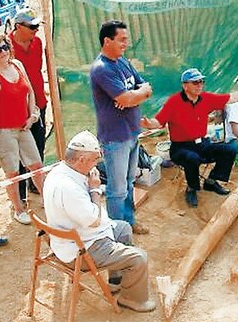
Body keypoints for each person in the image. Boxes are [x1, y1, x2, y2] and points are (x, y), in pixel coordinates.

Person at [43, 130, 155, 312]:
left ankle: (116, 281)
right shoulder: (69, 188)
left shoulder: (57, 172)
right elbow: (94, 221)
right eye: (95, 159)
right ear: (81, 160)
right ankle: (132, 299)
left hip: (72, 238)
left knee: (124, 228)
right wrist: (95, 190)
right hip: (81, 249)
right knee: (139, 258)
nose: (97, 164)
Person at [140, 68, 238, 208]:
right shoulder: (174, 102)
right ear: (185, 85)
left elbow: (231, 98)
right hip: (180, 147)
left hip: (202, 143)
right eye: (195, 82)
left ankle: (211, 181)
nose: (199, 85)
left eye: (201, 81)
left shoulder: (205, 99)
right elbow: (158, 121)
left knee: (228, 150)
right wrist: (148, 124)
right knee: (192, 158)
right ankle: (192, 188)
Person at [89, 20, 152, 234]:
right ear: (107, 41)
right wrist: (131, 96)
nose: (126, 43)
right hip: (115, 138)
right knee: (117, 190)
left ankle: (129, 222)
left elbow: (145, 86)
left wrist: (136, 95)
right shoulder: (101, 69)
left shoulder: (122, 61)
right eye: (122, 39)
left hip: (132, 132)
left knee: (129, 183)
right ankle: (115, 231)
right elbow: (126, 98)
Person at [0, 32, 44, 225]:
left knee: (36, 166)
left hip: (24, 126)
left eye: (4, 47)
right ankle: (18, 209)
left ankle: (49, 200)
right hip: (4, 131)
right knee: (13, 172)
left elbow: (30, 91)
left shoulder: (18, 65)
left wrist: (33, 115)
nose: (2, 52)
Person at [9, 8, 48, 200]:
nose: (36, 29)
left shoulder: (38, 42)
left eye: (37, 25)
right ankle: (20, 195)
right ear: (18, 27)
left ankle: (35, 185)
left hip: (38, 103)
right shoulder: (5, 50)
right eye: (32, 26)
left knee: (38, 146)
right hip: (15, 111)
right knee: (16, 153)